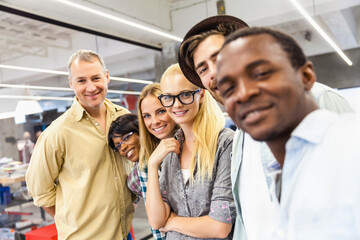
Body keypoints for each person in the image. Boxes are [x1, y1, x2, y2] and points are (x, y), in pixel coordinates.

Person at [178, 15, 355, 240]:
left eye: (220, 57)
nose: (214, 72)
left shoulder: (320, 99)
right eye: (202, 69)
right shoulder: (242, 132)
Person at [25, 50, 134, 240]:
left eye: (96, 78)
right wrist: (73, 218)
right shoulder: (57, 132)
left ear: (106, 77)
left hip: (124, 233)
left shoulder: (123, 116)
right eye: (81, 81)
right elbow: (39, 190)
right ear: (71, 83)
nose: (91, 87)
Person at [146, 63, 235, 239]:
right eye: (168, 98)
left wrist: (171, 222)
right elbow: (156, 221)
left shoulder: (224, 143)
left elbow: (219, 226)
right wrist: (152, 164)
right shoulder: (171, 149)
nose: (176, 105)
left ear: (201, 95)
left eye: (185, 95)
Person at [108, 87, 178, 239]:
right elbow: (157, 222)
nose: (123, 147)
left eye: (126, 138)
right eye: (118, 146)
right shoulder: (143, 168)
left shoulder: (172, 151)